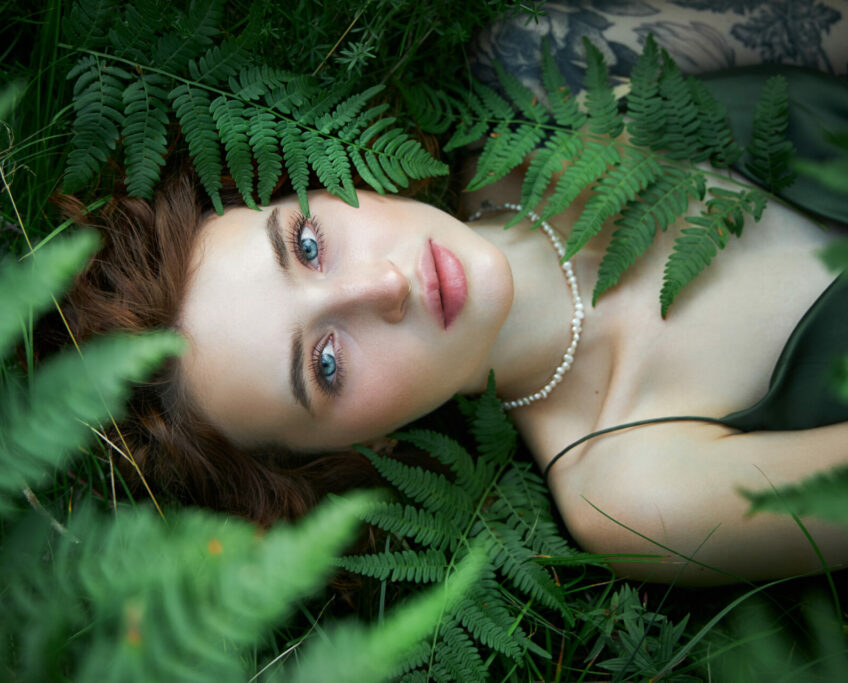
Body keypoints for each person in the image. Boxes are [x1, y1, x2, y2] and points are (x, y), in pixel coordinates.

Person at [42, 1, 848, 585]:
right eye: (326, 363)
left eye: (310, 245)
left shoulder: (542, 66)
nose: (383, 285)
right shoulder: (633, 492)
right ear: (358, 453)